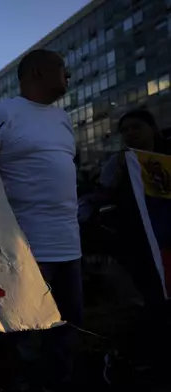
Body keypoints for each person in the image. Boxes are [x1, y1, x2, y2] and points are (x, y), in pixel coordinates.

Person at [0, 49, 80, 392]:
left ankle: (58, 379)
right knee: (26, 326)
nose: (69, 76)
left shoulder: (62, 118)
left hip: (69, 243)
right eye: (63, 69)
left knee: (69, 321)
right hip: (26, 243)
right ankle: (17, 383)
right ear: (37, 72)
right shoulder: (3, 113)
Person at [99, 109, 171, 383]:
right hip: (136, 249)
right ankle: (126, 359)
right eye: (124, 130)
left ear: (153, 129)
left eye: (136, 127)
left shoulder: (166, 161)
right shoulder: (118, 165)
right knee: (148, 304)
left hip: (166, 246)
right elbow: (103, 191)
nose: (129, 134)